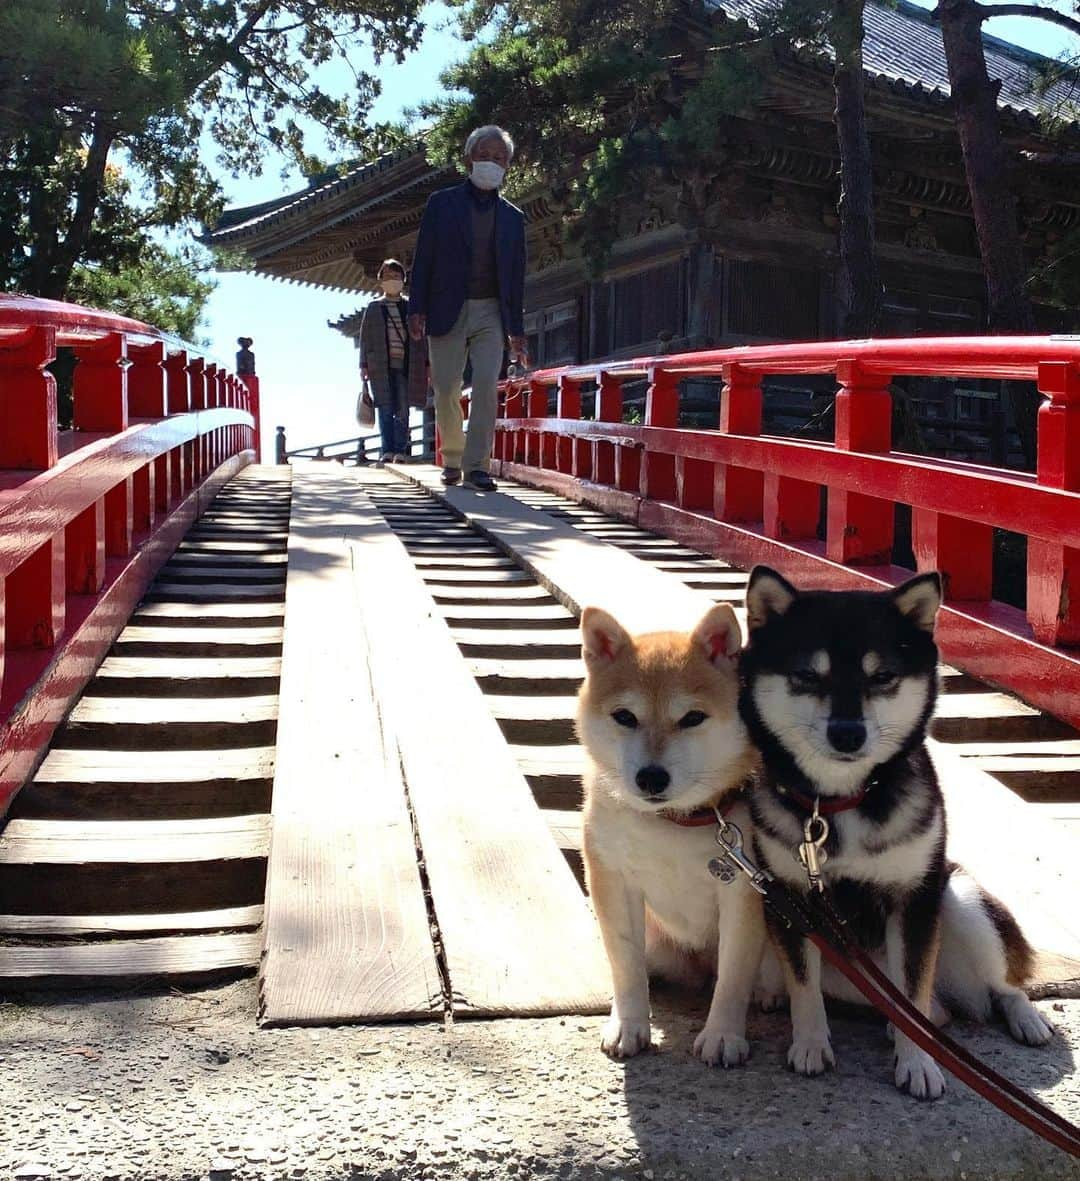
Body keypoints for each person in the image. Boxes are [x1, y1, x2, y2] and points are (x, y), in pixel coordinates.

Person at [408, 125, 528, 490]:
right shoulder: (441, 204)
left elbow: (516, 277)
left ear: (508, 166)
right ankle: (454, 457)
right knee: (446, 388)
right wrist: (416, 307)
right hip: (447, 305)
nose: (492, 163)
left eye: (500, 158)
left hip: (492, 310)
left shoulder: (513, 217)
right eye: (485, 156)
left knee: (487, 385)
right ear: (468, 159)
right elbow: (424, 256)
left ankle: (478, 465)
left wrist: (517, 332)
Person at [358, 259, 427, 463]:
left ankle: (401, 450)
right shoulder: (373, 308)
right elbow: (365, 338)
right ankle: (386, 449)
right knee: (385, 407)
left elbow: (421, 337)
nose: (392, 281)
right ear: (381, 281)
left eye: (396, 277)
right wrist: (363, 364)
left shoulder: (410, 308)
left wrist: (426, 363)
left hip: (407, 364)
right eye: (388, 277)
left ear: (403, 281)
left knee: (403, 409)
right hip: (380, 365)